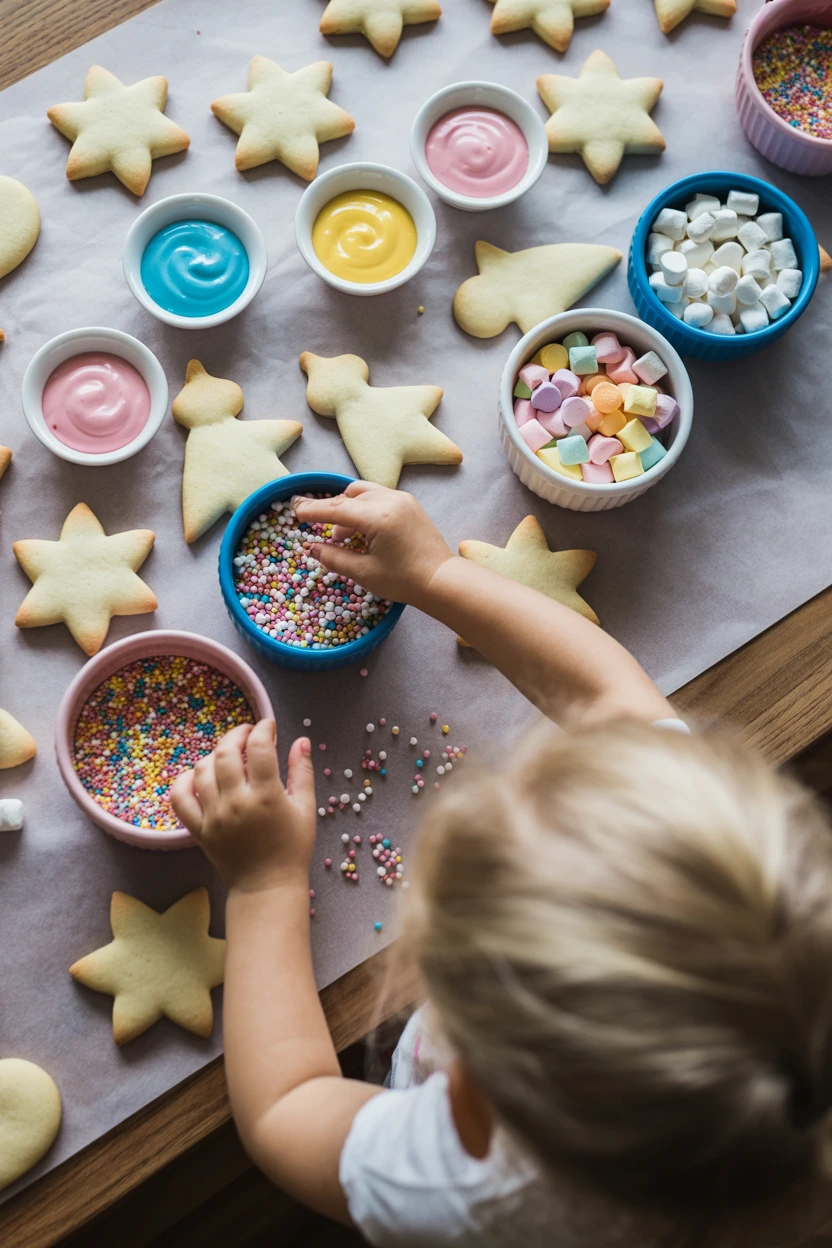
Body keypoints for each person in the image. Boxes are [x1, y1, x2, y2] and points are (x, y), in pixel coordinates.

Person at [171, 483, 832, 1247]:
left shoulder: (461, 1189)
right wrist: (438, 576)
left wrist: (265, 884)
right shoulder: (700, 849)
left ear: (466, 1101)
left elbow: (288, 1109)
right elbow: (603, 693)